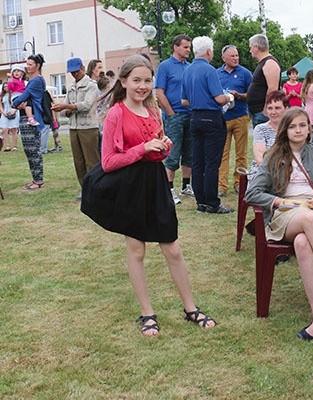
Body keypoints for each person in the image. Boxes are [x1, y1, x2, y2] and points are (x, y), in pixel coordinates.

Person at [80, 55, 217, 336]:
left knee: (173, 248)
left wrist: (163, 147)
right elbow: (108, 162)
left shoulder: (154, 110)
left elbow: (159, 151)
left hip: (155, 182)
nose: (142, 86)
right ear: (124, 81)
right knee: (137, 249)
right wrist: (142, 149)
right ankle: (147, 313)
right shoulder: (116, 113)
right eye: (136, 80)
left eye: (147, 80)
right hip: (130, 185)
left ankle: (191, 308)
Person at [245, 107, 313, 340]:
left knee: (302, 242)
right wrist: (278, 201)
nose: (298, 130)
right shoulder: (274, 155)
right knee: (307, 221)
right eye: (293, 126)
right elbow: (252, 193)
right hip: (286, 213)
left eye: (303, 125)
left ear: (310, 127)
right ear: (285, 129)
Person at [181, 36, 234, 214]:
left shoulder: (187, 70)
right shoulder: (209, 70)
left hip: (195, 117)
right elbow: (219, 99)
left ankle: (201, 201)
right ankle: (212, 202)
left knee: (198, 162)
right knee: (212, 163)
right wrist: (229, 97)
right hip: (211, 117)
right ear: (209, 51)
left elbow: (184, 101)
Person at [155, 34, 194, 205]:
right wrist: (170, 113)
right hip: (174, 116)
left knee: (189, 152)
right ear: (175, 47)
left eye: (190, 47)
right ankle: (168, 188)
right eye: (185, 47)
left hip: (190, 115)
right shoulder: (165, 66)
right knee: (172, 153)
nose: (188, 50)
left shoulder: (190, 67)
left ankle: (186, 185)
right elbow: (159, 92)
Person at [52, 57, 100, 194]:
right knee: (78, 161)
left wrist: (67, 107)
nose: (74, 74)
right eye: (72, 72)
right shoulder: (71, 87)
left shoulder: (91, 85)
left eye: (77, 71)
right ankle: (85, 188)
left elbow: (86, 105)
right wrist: (65, 108)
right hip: (74, 128)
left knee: (92, 161)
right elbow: (66, 111)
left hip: (89, 127)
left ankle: (96, 189)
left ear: (83, 69)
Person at [217, 44, 252, 196]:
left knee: (241, 153)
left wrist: (239, 95)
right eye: (232, 56)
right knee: (222, 153)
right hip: (223, 119)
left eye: (237, 55)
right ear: (223, 58)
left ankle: (239, 183)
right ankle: (221, 186)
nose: (236, 58)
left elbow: (251, 95)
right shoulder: (216, 74)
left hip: (240, 117)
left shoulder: (245, 73)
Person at [12, 54, 47, 190]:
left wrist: (16, 102)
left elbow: (20, 99)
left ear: (37, 65)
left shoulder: (35, 81)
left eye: (30, 64)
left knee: (33, 150)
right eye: (27, 63)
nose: (27, 66)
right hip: (26, 117)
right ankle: (36, 179)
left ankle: (38, 180)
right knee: (29, 150)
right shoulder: (34, 80)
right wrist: (18, 103)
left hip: (30, 118)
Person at [247, 90, 288, 180]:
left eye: (277, 108)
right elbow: (260, 158)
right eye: (270, 108)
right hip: (263, 174)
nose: (273, 112)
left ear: (286, 108)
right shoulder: (260, 129)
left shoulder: (292, 129)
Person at [247, 34, 281, 127]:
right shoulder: (263, 63)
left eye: (251, 48)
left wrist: (266, 110)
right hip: (257, 111)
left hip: (262, 113)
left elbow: (273, 89)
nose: (250, 51)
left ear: (256, 47)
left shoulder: (270, 63)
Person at [0, 81, 19, 152]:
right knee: (4, 129)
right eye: (4, 86)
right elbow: (0, 105)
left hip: (13, 112)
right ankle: (7, 146)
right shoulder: (2, 95)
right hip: (5, 113)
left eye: (7, 86)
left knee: (13, 130)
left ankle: (15, 146)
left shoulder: (14, 94)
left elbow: (18, 103)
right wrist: (3, 112)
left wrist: (14, 110)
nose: (5, 87)